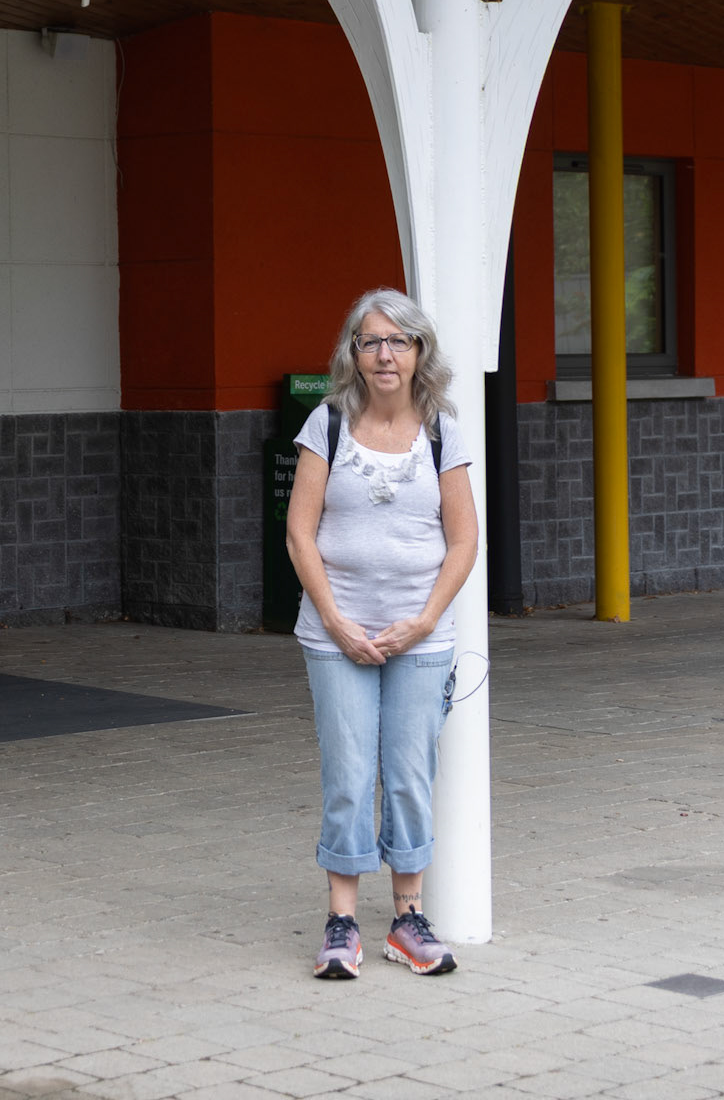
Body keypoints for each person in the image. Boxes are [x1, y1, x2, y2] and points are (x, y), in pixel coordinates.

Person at [285, 288, 479, 982]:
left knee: (408, 775)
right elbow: (299, 533)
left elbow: (464, 541)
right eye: (371, 341)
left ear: (419, 351)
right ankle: (341, 924)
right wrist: (336, 621)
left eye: (399, 341)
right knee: (347, 774)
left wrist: (424, 621)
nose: (385, 354)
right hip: (335, 635)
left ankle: (406, 921)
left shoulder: (441, 430)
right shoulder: (327, 422)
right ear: (354, 353)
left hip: (419, 639)